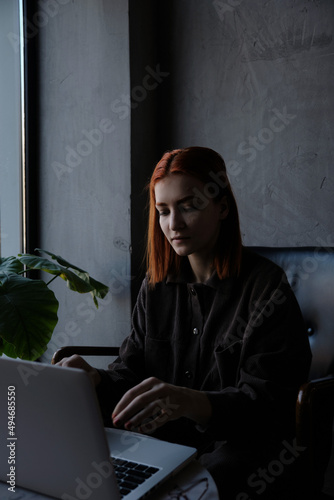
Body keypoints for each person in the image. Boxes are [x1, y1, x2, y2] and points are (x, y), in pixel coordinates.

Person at [57, 147, 312, 499]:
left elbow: (269, 405)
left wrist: (192, 402)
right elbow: (131, 372)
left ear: (222, 207)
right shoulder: (156, 286)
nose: (173, 224)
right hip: (163, 444)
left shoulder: (265, 288)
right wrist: (96, 379)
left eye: (189, 205)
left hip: (243, 448)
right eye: (163, 211)